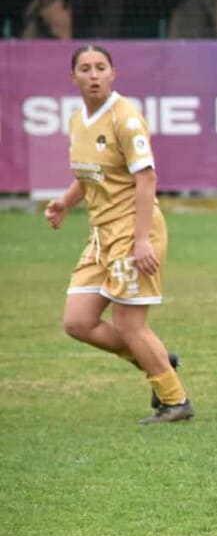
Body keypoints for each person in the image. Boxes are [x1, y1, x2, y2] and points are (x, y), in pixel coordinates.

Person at [44, 45, 191, 425]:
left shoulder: (125, 118)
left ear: (113, 73)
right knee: (78, 322)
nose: (93, 75)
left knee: (129, 324)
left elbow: (147, 178)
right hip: (101, 235)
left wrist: (141, 240)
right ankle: (156, 360)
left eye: (100, 67)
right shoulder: (78, 120)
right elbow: (88, 174)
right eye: (85, 68)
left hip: (132, 230)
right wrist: (65, 203)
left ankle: (175, 400)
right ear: (73, 77)